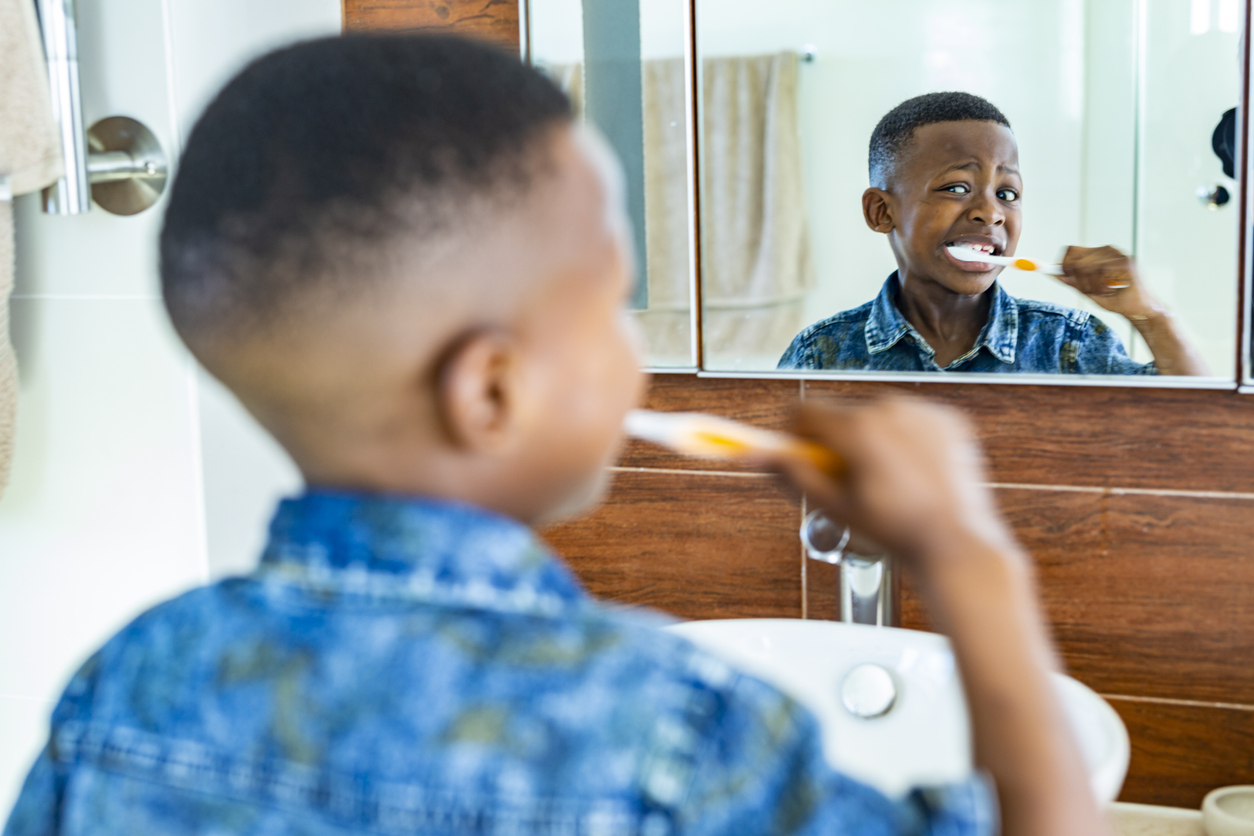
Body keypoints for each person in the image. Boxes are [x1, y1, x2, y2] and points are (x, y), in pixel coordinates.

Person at [4, 37, 1106, 836]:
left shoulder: (130, 676)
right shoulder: (674, 728)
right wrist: (967, 557)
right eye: (611, 303)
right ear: (490, 390)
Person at [778, 92, 1209, 376]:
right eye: (956, 188)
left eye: (1007, 193)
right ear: (881, 212)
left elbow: (1199, 432)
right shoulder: (823, 354)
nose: (990, 212)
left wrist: (1151, 316)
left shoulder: (1067, 344)